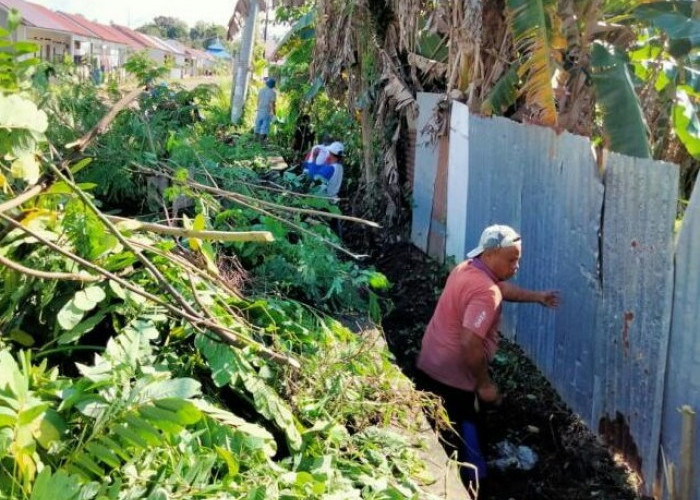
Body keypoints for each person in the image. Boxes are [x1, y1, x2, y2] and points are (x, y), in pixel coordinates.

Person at [416, 224, 559, 488]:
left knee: (434, 422)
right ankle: (474, 484)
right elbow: (470, 343)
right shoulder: (485, 292)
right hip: (454, 376)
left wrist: (537, 297)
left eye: (518, 259)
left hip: (429, 362)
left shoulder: (467, 269)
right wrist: (483, 384)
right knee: (468, 429)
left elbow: (501, 289)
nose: (516, 266)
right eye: (512, 259)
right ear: (491, 254)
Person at [254, 77, 277, 142]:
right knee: (265, 127)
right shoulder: (273, 92)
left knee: (257, 125)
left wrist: (258, 108)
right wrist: (274, 114)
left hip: (259, 110)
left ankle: (255, 141)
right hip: (266, 111)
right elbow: (272, 104)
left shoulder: (261, 90)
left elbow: (258, 100)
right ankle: (261, 143)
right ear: (273, 85)